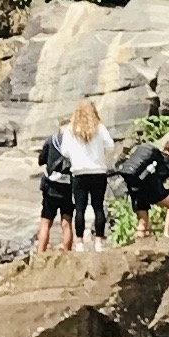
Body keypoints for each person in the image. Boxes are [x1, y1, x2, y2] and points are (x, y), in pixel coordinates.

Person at [59, 97, 117, 245]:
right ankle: (98, 242)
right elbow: (110, 146)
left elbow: (64, 152)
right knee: (98, 207)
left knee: (80, 208)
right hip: (98, 172)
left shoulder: (70, 130)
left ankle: (79, 243)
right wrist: (99, 154)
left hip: (79, 173)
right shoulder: (100, 128)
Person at [33, 124, 76, 255]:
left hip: (51, 187)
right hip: (68, 187)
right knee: (66, 222)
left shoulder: (51, 140)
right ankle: (67, 253)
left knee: (46, 222)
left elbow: (41, 160)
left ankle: (41, 253)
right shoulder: (76, 144)